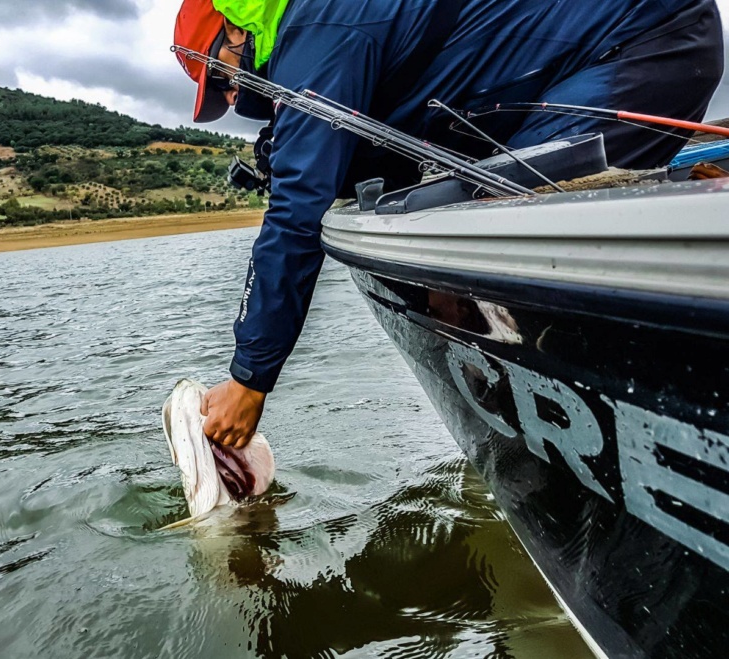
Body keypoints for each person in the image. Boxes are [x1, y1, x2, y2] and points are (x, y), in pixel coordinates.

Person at [173, 0, 725, 448]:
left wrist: (249, 378)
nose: (232, 96)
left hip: (644, 36)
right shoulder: (320, 31)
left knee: (503, 222)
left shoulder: (319, 26)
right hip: (598, 56)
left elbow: (296, 211)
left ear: (237, 32)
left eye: (220, 78)